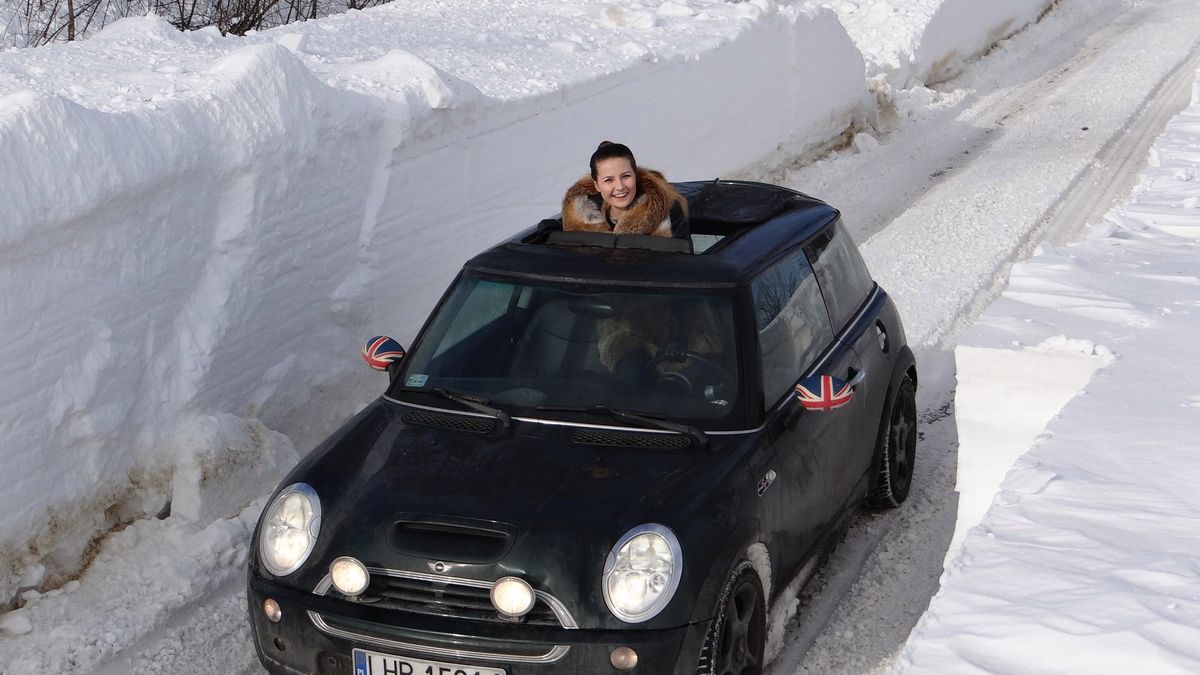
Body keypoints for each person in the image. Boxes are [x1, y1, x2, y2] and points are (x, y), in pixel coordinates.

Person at [561, 141, 689, 238]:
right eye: (608, 180)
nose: (620, 187)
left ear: (635, 175)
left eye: (626, 176)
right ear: (597, 185)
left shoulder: (668, 211)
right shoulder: (577, 218)